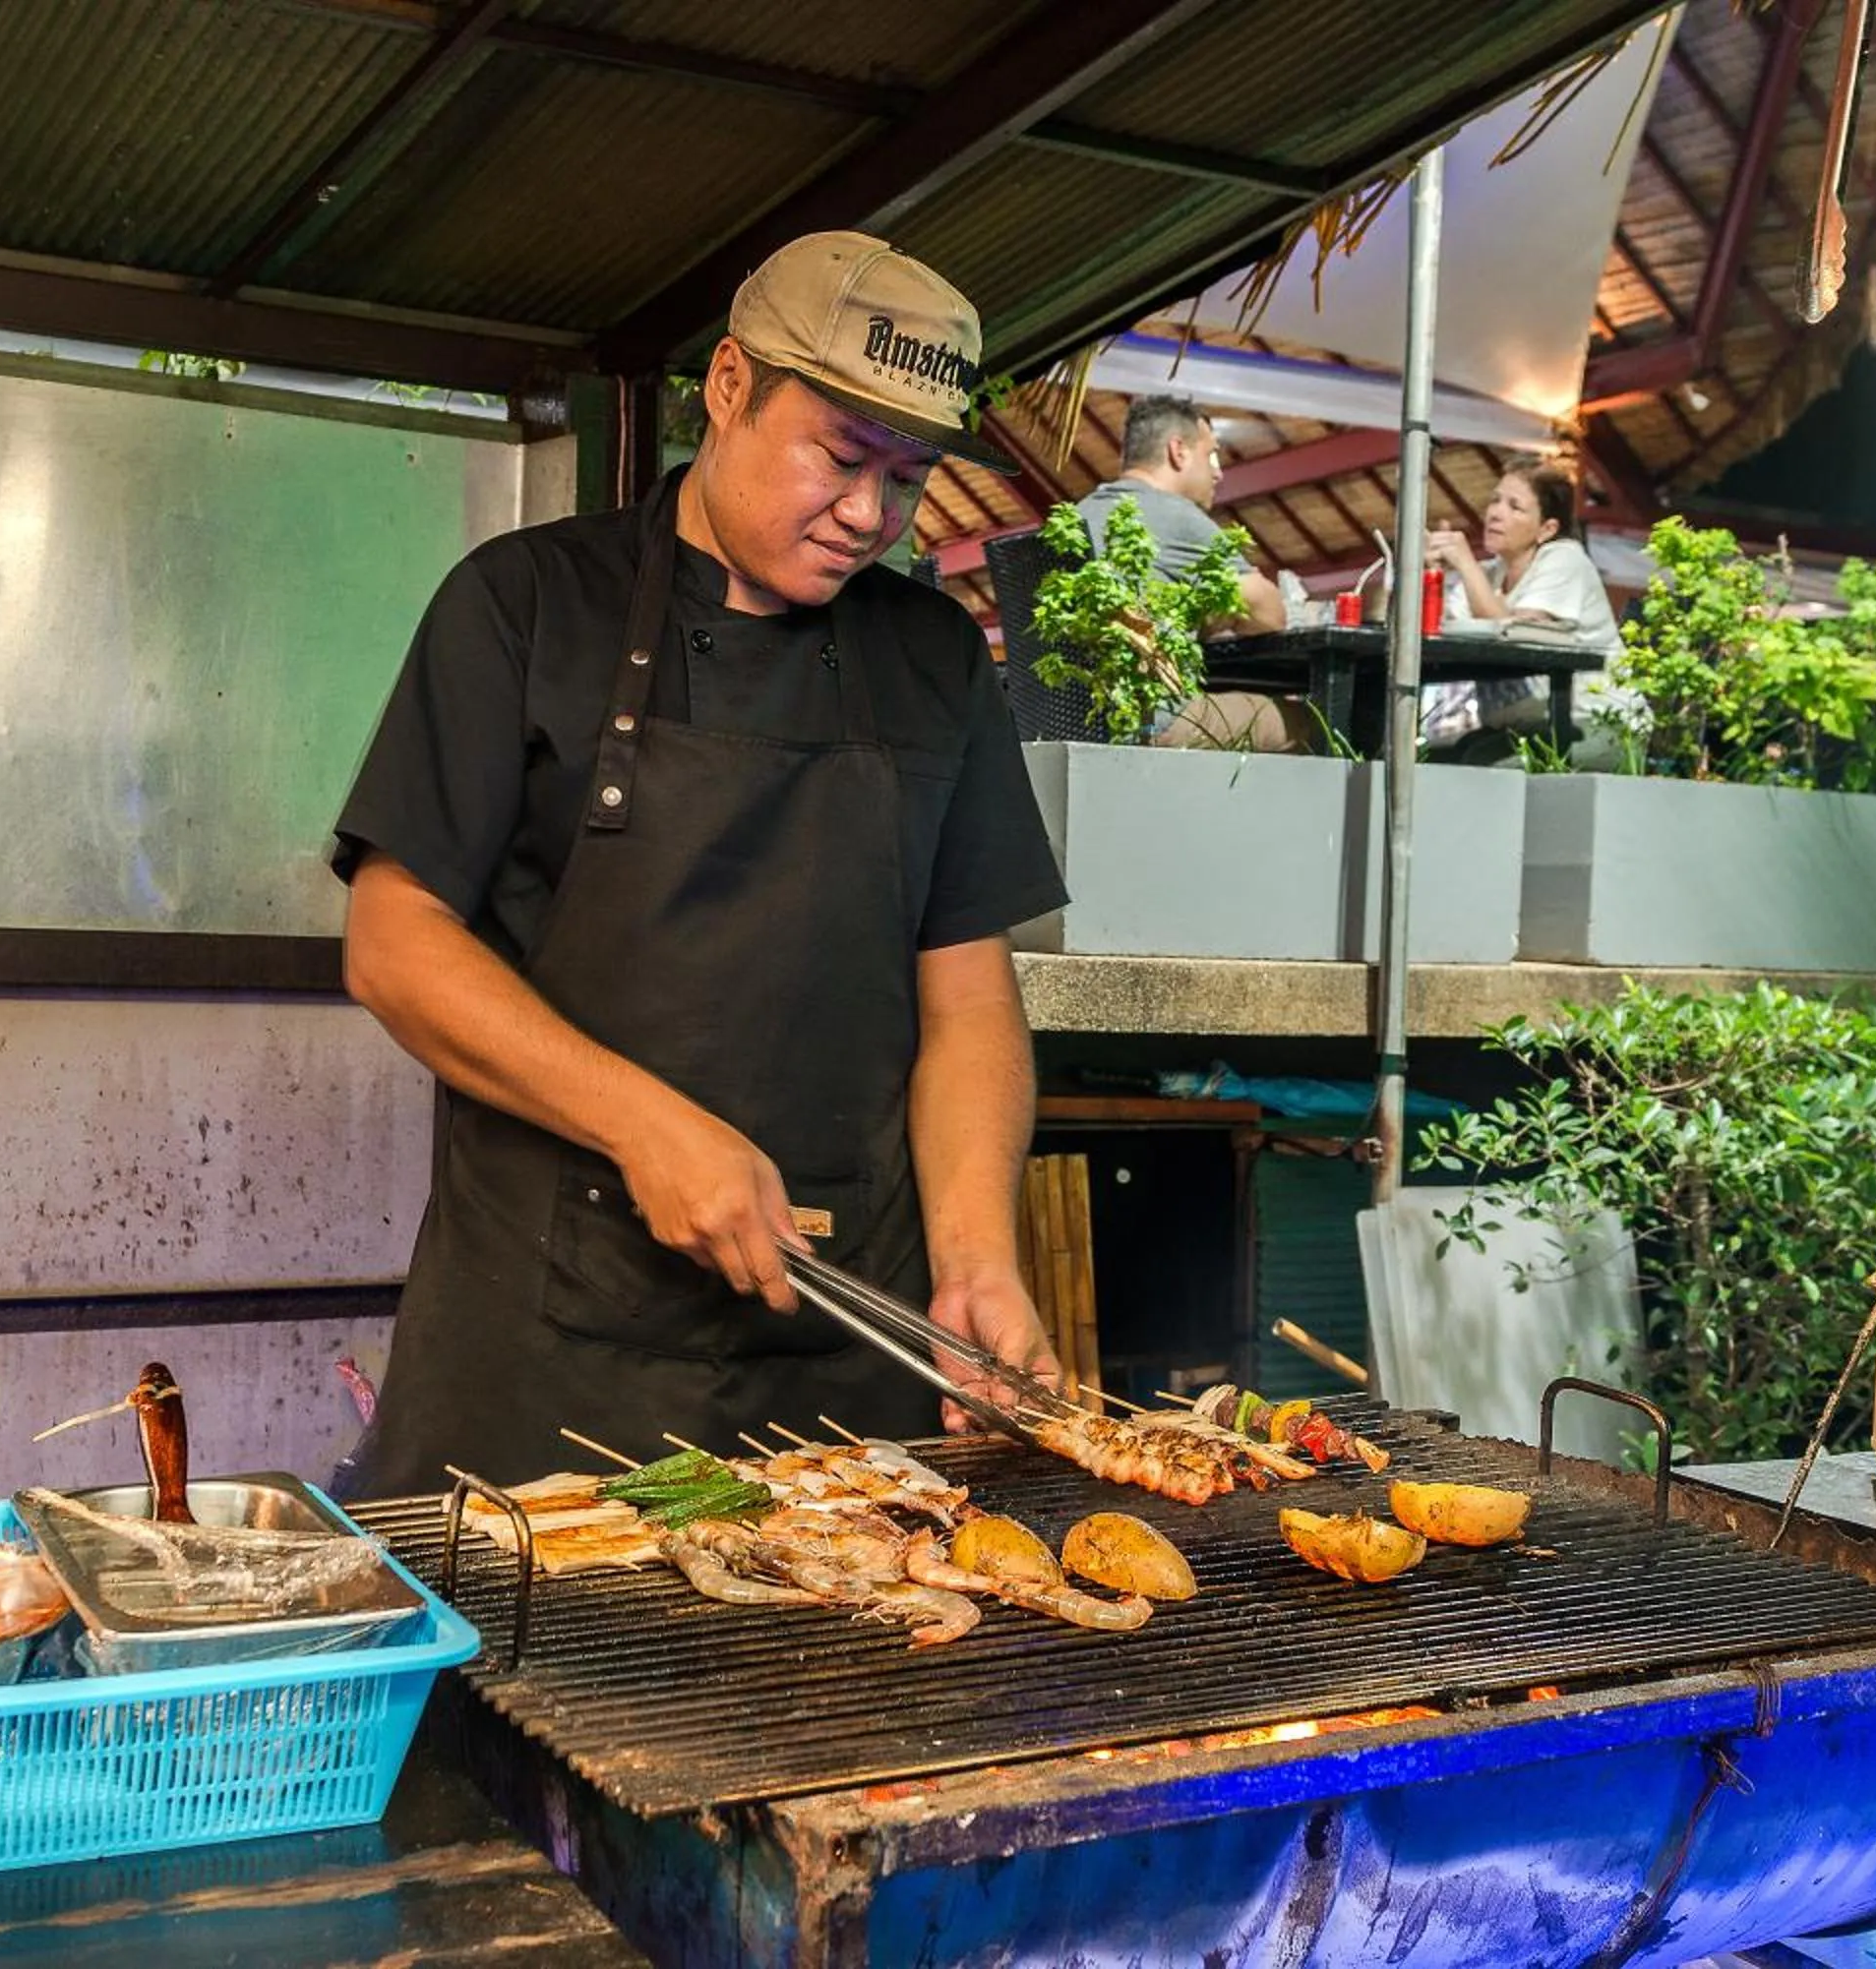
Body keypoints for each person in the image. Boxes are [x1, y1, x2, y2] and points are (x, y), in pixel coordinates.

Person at [329, 231, 1073, 1491]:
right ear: (729, 385)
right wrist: (647, 1124)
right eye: (839, 457)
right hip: (554, 1361)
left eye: (905, 481)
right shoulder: (526, 606)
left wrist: (978, 1262)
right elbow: (394, 947)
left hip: (847, 1367)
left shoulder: (935, 659)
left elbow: (968, 1003)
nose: (866, 515)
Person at [1072, 396, 1316, 753]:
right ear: (1179, 452)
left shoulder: (1079, 515)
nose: (1218, 471)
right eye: (1211, 455)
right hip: (1155, 721)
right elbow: (1271, 615)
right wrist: (1222, 614)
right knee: (1314, 719)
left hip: (1079, 721)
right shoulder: (1175, 515)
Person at [1422, 460, 1619, 756]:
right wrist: (1428, 570)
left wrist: (1465, 563)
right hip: (1523, 728)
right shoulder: (1488, 574)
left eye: (1515, 507)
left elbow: (1508, 634)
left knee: (1477, 762)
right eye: (1495, 500)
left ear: (1546, 529)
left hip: (1594, 723)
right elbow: (1435, 629)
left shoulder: (1565, 561)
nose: (1496, 513)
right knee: (1435, 756)